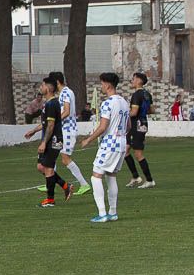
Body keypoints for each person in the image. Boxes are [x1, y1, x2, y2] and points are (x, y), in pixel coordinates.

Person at [80, 72, 131, 223]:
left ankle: (102, 214)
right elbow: (128, 125)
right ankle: (113, 212)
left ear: (108, 84)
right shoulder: (124, 102)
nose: (101, 86)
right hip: (121, 142)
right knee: (111, 176)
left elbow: (103, 127)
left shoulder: (108, 103)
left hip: (110, 143)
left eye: (102, 83)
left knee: (96, 176)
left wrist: (88, 140)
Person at [24, 77, 72, 207]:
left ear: (49, 88)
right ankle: (65, 185)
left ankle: (50, 200)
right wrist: (33, 131)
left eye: (43, 85)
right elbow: (45, 124)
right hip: (49, 139)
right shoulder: (48, 103)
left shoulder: (52, 104)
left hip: (53, 140)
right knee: (41, 167)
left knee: (49, 169)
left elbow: (51, 126)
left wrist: (44, 142)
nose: (41, 87)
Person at [50, 71, 88, 195]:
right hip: (64, 130)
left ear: (56, 82)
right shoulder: (64, 92)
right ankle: (49, 181)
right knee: (53, 156)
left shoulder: (66, 92)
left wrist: (55, 120)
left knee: (65, 159)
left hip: (68, 130)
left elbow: (66, 111)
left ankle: (84, 184)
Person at [124, 72, 155, 189]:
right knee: (125, 150)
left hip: (136, 125)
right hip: (141, 123)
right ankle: (136, 177)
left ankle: (149, 180)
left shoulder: (137, 95)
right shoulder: (147, 94)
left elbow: (134, 112)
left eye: (133, 79)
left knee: (138, 154)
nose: (132, 81)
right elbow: (151, 110)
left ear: (138, 80)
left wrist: (124, 114)